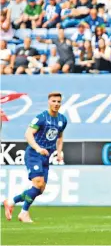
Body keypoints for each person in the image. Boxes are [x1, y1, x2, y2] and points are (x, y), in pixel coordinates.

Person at [4, 92, 67, 223]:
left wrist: (59, 152)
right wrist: (38, 148)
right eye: (54, 101)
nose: (56, 104)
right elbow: (28, 134)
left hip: (46, 156)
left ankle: (11, 201)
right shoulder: (41, 117)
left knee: (40, 189)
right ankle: (24, 213)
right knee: (37, 183)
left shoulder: (62, 119)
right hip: (34, 154)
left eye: (58, 102)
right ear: (49, 102)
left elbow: (60, 136)